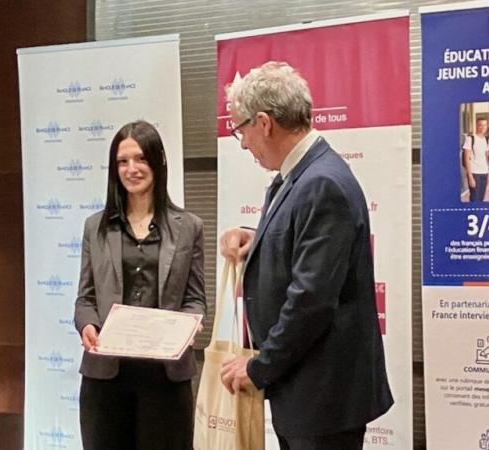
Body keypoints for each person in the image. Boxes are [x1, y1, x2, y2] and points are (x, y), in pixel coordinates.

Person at [219, 62, 393, 450]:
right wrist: (253, 237)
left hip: (323, 399)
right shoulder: (300, 176)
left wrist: (259, 367)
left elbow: (311, 299)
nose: (243, 142)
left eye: (241, 129)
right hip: (307, 392)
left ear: (264, 123)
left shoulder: (322, 183)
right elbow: (303, 247)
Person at [74, 120, 206, 450]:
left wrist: (190, 325)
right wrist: (87, 323)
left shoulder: (189, 226)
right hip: (106, 377)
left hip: (165, 376)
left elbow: (195, 299)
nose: (132, 169)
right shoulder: (96, 227)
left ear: (158, 162)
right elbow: (85, 298)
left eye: (141, 159)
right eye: (123, 161)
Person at [462, 117, 489, 201]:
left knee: (480, 199)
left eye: (485, 125)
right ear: (476, 125)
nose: (483, 127)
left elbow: (486, 157)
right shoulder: (470, 139)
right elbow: (466, 159)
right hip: (474, 173)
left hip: (484, 173)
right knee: (474, 199)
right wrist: (470, 177)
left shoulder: (487, 140)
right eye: (480, 125)